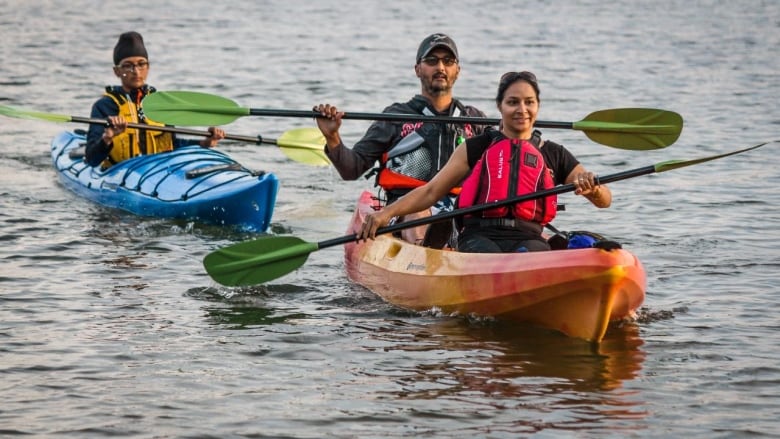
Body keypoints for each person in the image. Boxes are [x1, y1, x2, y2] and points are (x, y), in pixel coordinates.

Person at [357, 71, 612, 253]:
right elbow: (432, 191)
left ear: (538, 106)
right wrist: (385, 214)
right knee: (486, 253)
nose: (521, 110)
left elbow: (605, 201)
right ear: (500, 107)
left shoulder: (555, 153)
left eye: (529, 102)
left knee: (534, 252)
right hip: (479, 237)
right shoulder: (478, 146)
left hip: (529, 236)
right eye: (512, 102)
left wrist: (594, 188)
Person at [314, 33, 487, 246]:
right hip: (404, 209)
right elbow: (352, 169)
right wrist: (333, 137)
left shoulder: (475, 120)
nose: (440, 67)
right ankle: (426, 252)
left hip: (461, 208)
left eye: (448, 61)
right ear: (418, 69)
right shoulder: (395, 117)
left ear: (457, 70)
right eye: (432, 61)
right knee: (418, 214)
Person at [85, 31, 225, 168]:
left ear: (148, 67)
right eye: (128, 65)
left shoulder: (160, 104)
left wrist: (205, 143)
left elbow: (172, 143)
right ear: (117, 71)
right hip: (120, 174)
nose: (136, 71)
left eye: (141, 64)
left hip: (156, 172)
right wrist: (108, 137)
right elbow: (92, 160)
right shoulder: (104, 106)